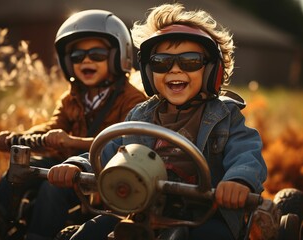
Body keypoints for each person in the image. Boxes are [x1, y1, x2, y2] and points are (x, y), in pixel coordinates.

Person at [47, 3, 267, 240]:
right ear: (149, 71)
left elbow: (247, 153)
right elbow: (110, 150)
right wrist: (78, 166)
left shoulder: (225, 116)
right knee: (86, 234)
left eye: (190, 61)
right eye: (162, 62)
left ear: (211, 70)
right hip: (140, 207)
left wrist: (238, 180)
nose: (174, 69)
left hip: (204, 213)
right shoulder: (140, 115)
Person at [0, 9, 146, 240]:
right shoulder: (72, 97)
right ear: (68, 62)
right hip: (66, 164)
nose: (86, 60)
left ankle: (39, 235)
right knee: (26, 166)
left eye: (97, 54)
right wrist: (17, 137)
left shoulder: (135, 101)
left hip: (104, 172)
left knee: (53, 184)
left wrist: (72, 141)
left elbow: (124, 143)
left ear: (118, 56)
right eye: (77, 56)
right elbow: (52, 127)